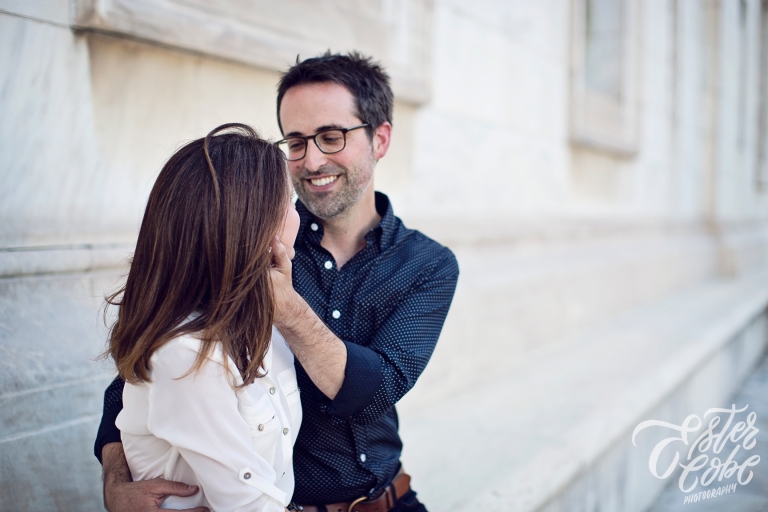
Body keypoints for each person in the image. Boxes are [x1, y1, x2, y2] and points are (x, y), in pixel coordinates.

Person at [95, 52, 459, 512]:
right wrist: (116, 482)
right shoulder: (252, 238)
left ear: (380, 138)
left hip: (384, 500)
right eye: (296, 142)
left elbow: (377, 391)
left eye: (331, 137)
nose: (311, 160)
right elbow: (146, 364)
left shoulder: (427, 264)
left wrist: (286, 309)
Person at [102, 123, 302, 511]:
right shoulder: (186, 351)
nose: (297, 216)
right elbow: (246, 503)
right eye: (290, 203)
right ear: (257, 226)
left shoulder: (265, 320)